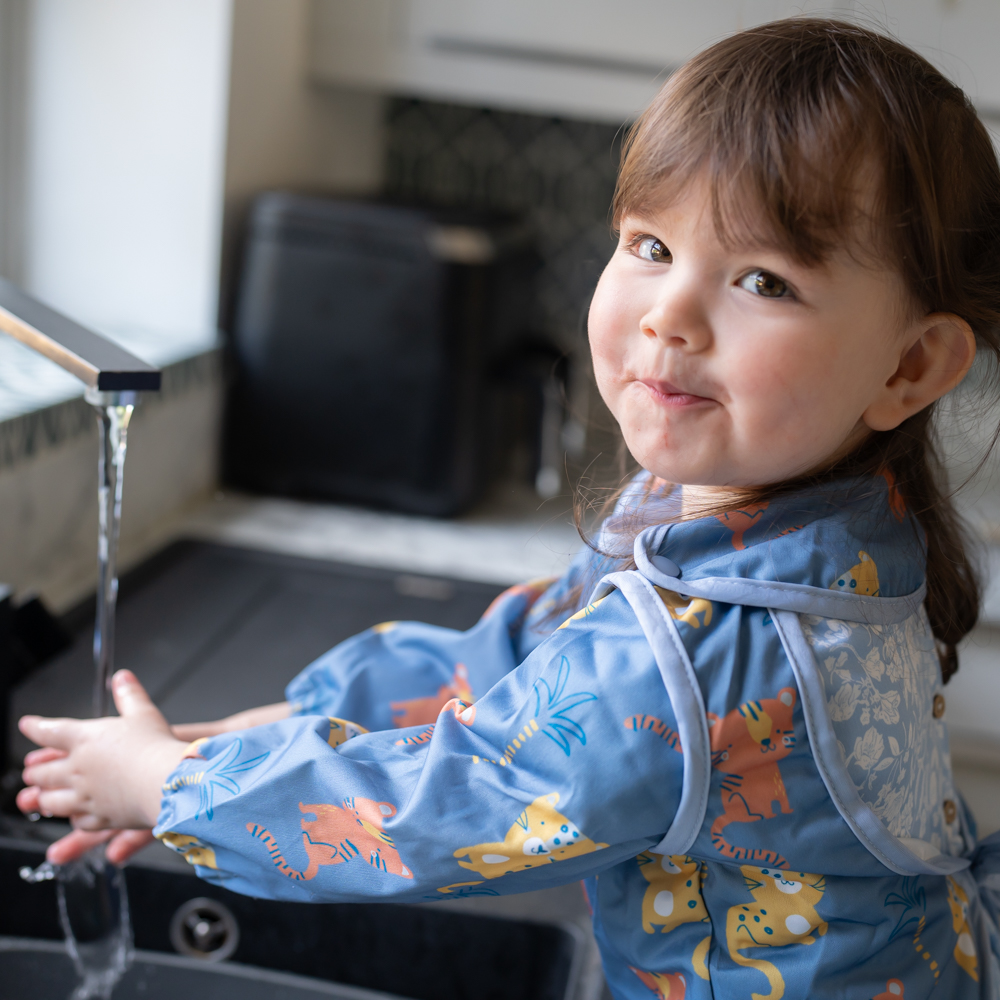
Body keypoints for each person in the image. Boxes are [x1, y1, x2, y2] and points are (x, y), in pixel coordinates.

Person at [17, 18, 1000, 999]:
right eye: (651, 245)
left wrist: (176, 790)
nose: (669, 314)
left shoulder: (717, 646)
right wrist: (236, 749)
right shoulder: (775, 527)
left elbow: (434, 812)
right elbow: (506, 663)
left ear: (911, 366)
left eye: (762, 280)